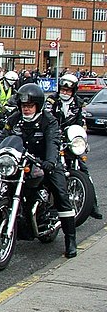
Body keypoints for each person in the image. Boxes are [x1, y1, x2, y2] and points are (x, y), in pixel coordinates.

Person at [0, 84, 77, 258]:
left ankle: (70, 239)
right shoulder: (14, 119)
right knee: (8, 186)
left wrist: (50, 160)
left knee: (61, 194)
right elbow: (2, 138)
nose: (26, 109)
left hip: (44, 161)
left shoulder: (48, 121)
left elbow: (53, 141)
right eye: (23, 106)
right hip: (21, 161)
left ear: (38, 105)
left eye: (29, 106)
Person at [46, 73, 102, 219]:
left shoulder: (79, 103)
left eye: (68, 91)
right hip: (53, 138)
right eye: (63, 90)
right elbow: (46, 117)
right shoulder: (52, 100)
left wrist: (82, 140)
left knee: (84, 170)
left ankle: (92, 204)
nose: (65, 93)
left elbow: (82, 123)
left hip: (71, 139)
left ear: (73, 91)